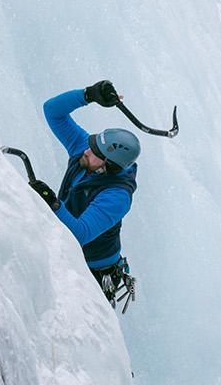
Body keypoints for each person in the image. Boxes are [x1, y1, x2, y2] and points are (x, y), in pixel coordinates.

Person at [28, 80, 141, 308]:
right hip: (71, 253)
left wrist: (52, 203)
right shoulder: (85, 150)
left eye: (95, 152)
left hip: (93, 272)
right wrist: (89, 94)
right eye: (92, 144)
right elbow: (52, 111)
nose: (87, 150)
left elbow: (80, 234)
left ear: (108, 165)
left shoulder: (117, 196)